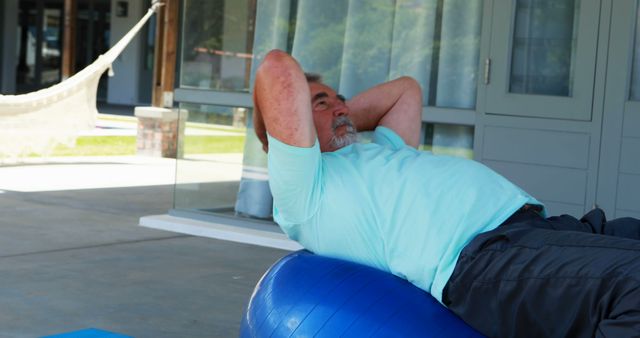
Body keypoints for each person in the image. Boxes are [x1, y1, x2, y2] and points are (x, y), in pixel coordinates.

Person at [252, 49, 640, 337]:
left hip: (540, 231)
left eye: (341, 99)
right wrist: (300, 121)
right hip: (483, 260)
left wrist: (337, 114)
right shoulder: (304, 189)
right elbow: (276, 69)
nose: (341, 107)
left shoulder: (377, 153)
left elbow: (406, 91)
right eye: (320, 102)